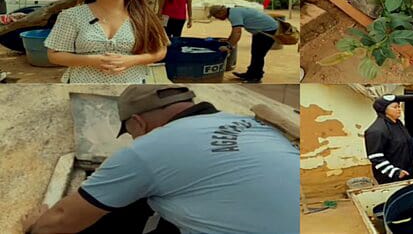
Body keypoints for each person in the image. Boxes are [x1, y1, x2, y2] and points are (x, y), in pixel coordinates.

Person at [22, 85, 300, 234]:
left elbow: (59, 221)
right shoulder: (243, 121)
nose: (132, 139)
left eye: (129, 132)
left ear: (138, 122)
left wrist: (34, 227)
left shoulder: (147, 149)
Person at [45, 0, 169, 83]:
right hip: (83, 91)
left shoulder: (144, 16)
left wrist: (131, 61)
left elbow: (160, 50)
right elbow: (54, 55)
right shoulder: (72, 16)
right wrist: (93, 60)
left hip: (131, 91)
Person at [208, 5, 279, 83]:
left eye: (215, 16)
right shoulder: (234, 11)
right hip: (262, 31)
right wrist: (228, 40)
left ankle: (256, 77)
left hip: (268, 32)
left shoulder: (234, 15)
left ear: (221, 12)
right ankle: (250, 74)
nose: (216, 18)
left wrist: (229, 47)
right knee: (255, 53)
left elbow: (237, 32)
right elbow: (234, 30)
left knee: (258, 55)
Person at [364, 95, 413, 185]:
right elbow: (375, 157)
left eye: (399, 106)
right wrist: (396, 172)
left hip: (406, 172)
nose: (399, 109)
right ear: (384, 110)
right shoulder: (376, 130)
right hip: (391, 176)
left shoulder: (398, 124)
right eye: (395, 107)